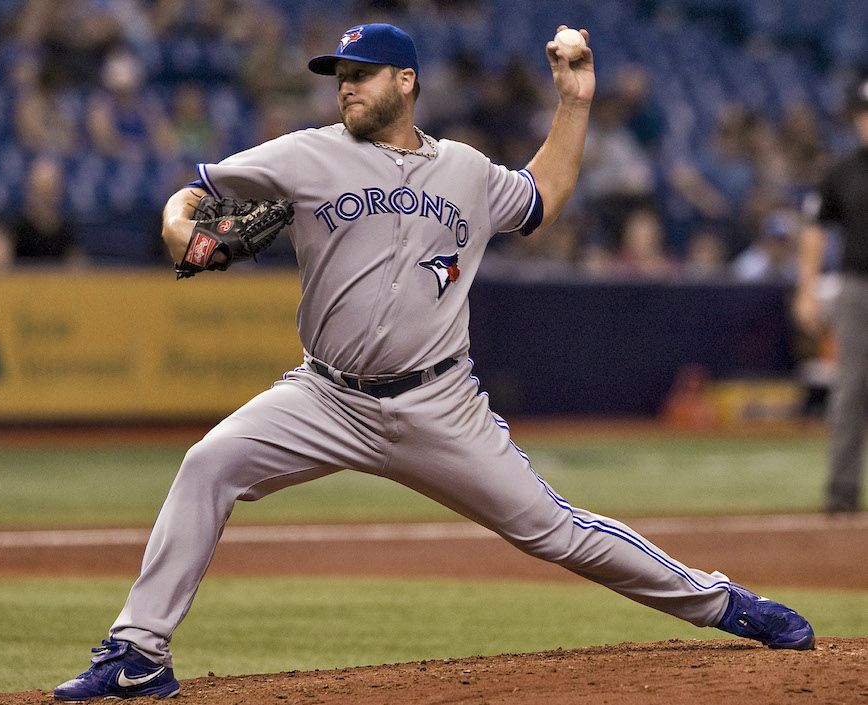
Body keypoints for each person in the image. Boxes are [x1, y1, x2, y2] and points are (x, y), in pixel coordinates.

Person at [54, 22, 815, 702]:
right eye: (339, 75)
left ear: (406, 82)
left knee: (555, 528)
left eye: (361, 73)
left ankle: (723, 603)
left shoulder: (466, 171)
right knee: (208, 462)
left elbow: (544, 193)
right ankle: (139, 652)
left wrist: (574, 103)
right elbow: (196, 191)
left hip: (438, 404)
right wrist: (177, 227)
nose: (346, 86)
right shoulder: (305, 153)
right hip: (325, 396)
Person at [794, 76, 868, 514]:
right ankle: (841, 497)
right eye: (863, 115)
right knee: (850, 390)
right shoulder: (842, 171)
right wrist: (806, 289)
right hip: (857, 288)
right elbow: (815, 230)